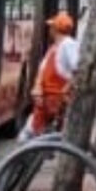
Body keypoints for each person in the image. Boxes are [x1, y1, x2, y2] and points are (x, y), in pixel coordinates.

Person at [22, 10, 79, 139]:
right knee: (31, 136)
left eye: (52, 27)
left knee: (31, 139)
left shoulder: (68, 45)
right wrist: (38, 88)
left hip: (56, 103)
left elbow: (77, 70)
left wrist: (66, 89)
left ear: (56, 29)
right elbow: (43, 72)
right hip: (45, 104)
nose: (50, 30)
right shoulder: (55, 47)